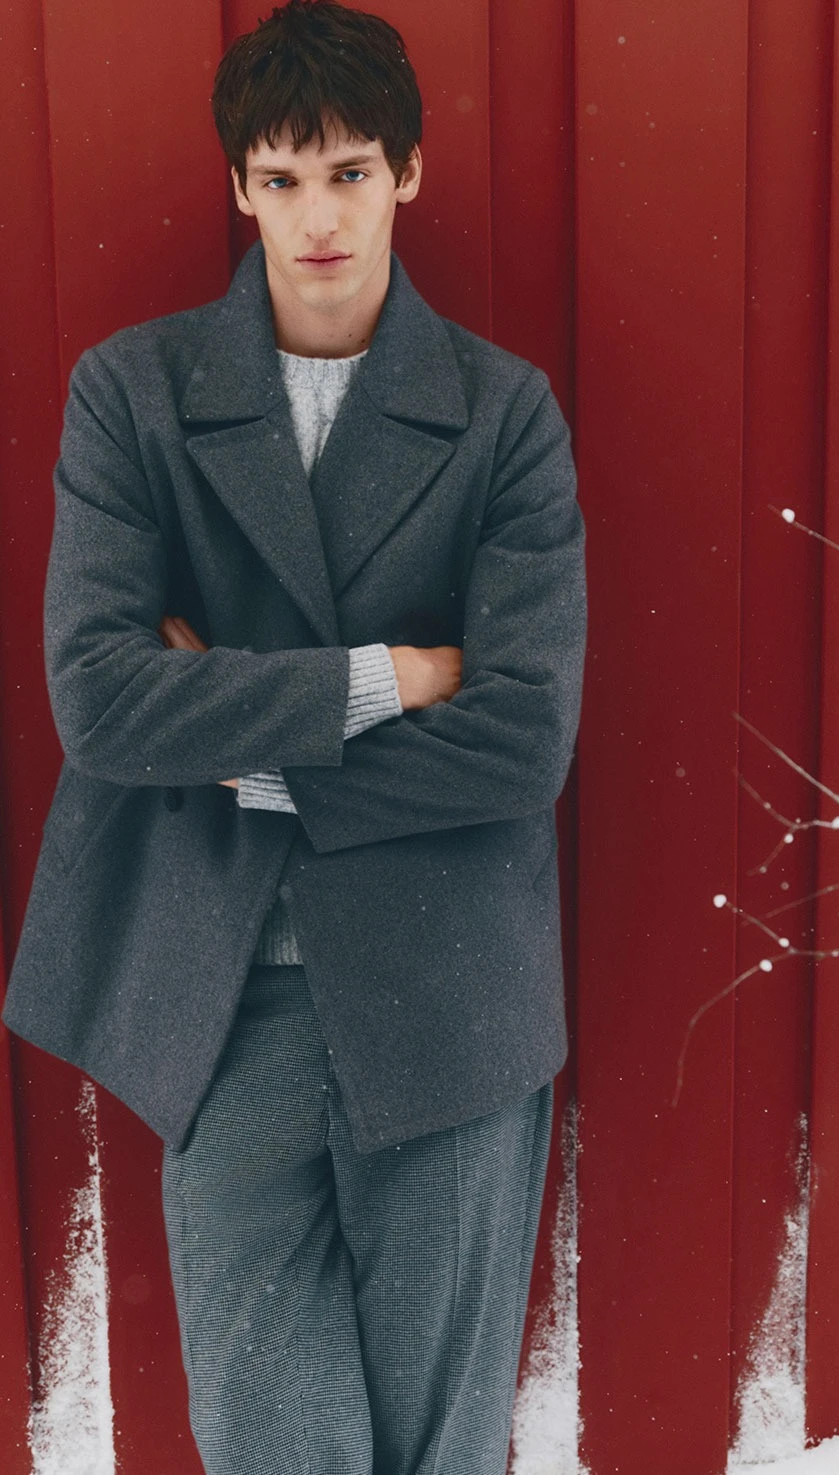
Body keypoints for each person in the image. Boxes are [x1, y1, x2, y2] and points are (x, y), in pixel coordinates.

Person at [2, 2, 586, 1471]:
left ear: (410, 172)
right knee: (271, 1440)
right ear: (238, 188)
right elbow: (103, 697)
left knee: (438, 1445)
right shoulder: (131, 397)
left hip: (449, 997)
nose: (317, 215)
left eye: (347, 171)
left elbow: (521, 741)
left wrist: (244, 745)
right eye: (281, 177)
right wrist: (388, 675)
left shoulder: (507, 418)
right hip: (221, 994)